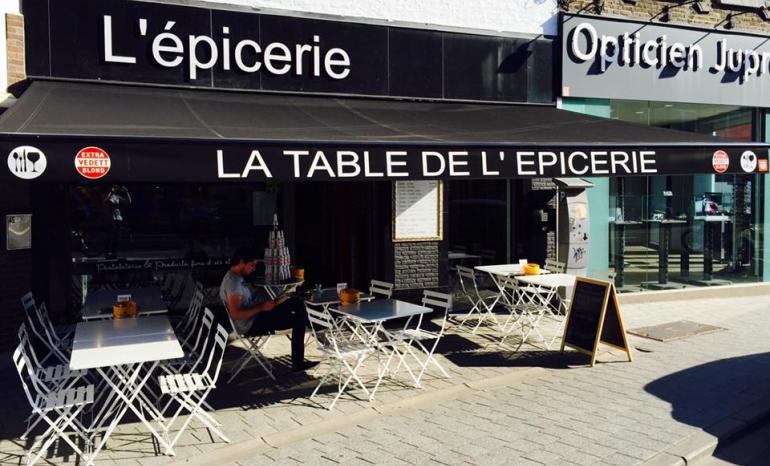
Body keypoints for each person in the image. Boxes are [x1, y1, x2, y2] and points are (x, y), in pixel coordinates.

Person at [220, 246, 317, 372]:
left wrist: (264, 303)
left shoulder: (233, 277)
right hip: (251, 324)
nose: (253, 269)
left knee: (295, 306)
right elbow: (236, 314)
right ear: (241, 262)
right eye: (252, 265)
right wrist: (261, 307)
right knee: (298, 312)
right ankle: (300, 358)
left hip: (255, 318)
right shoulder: (234, 283)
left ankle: (308, 327)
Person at [104, 184, 132, 258]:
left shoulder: (117, 197)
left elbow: (128, 202)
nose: (115, 188)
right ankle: (108, 253)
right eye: (114, 187)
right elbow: (105, 201)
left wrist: (126, 192)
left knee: (117, 237)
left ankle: (114, 253)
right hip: (110, 218)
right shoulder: (107, 195)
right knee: (110, 237)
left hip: (118, 218)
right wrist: (111, 192)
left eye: (116, 187)